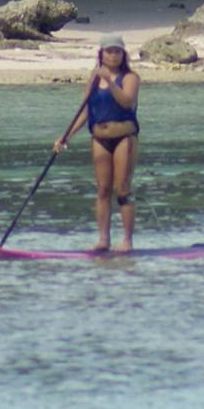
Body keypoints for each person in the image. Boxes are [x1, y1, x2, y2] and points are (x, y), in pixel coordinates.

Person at [54, 33, 140, 252]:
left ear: (123, 54)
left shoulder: (130, 77)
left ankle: (127, 242)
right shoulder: (93, 78)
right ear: (101, 54)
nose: (113, 56)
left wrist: (110, 81)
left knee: (121, 190)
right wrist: (66, 137)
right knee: (102, 190)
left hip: (124, 137)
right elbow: (85, 110)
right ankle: (103, 240)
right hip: (99, 138)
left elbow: (126, 102)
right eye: (109, 52)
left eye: (117, 52)